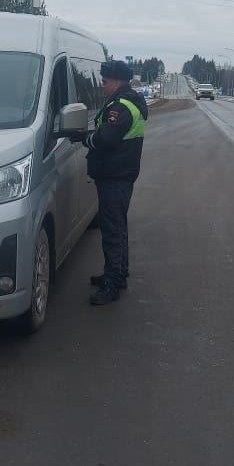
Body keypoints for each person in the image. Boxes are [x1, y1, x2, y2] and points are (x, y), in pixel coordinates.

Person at [77, 59, 148, 306]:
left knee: (112, 232)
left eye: (105, 81)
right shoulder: (126, 101)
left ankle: (112, 284)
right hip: (120, 173)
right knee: (118, 226)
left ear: (117, 81)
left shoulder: (121, 106)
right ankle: (119, 273)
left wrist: (84, 138)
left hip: (115, 176)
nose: (102, 85)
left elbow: (105, 138)